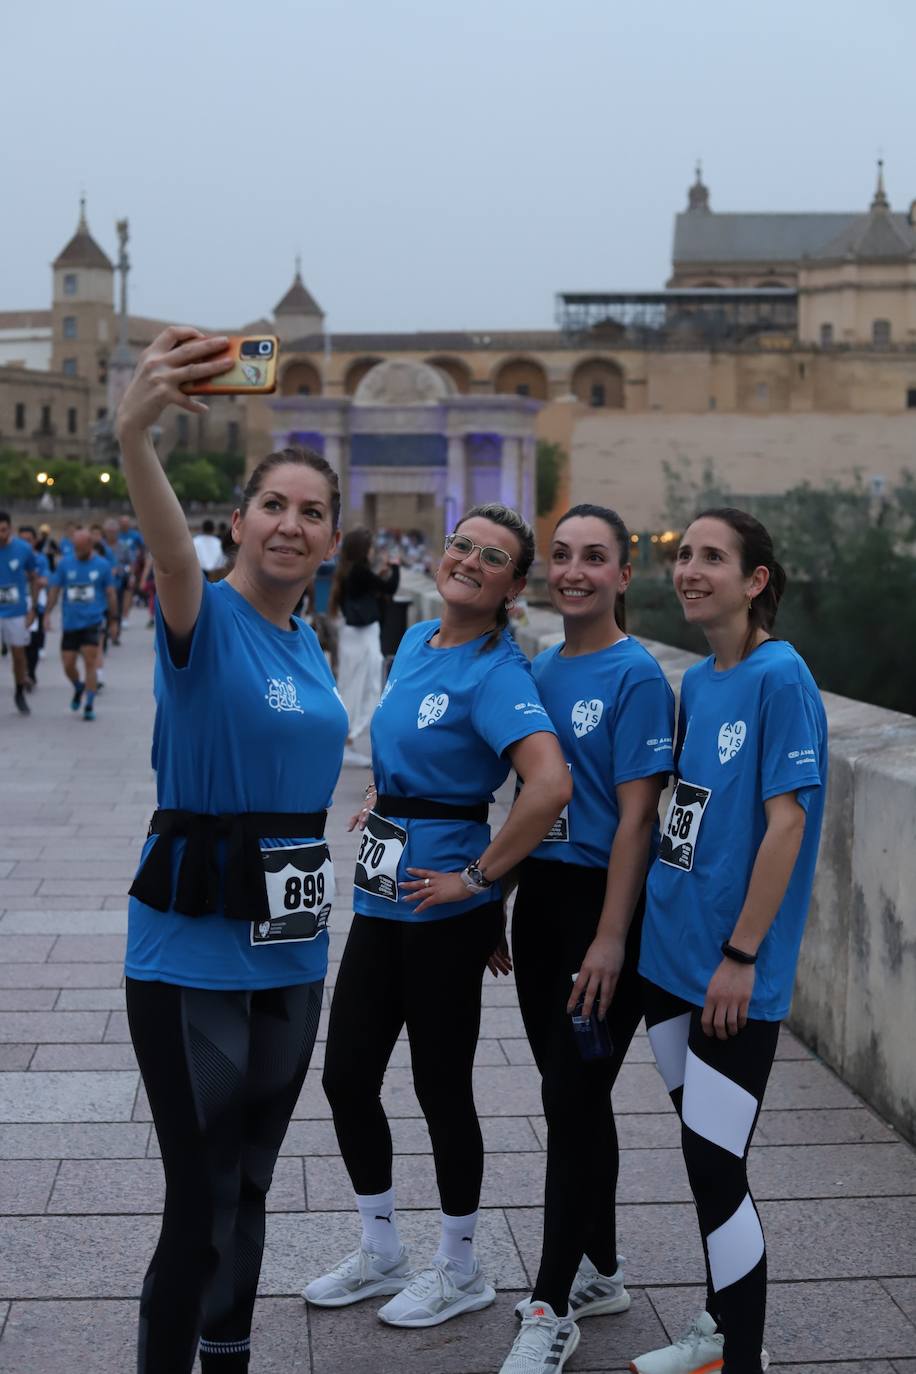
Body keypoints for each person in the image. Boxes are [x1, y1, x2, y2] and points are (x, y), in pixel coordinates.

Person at [116, 325, 347, 1374]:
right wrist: (135, 433)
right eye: (273, 505)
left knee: (252, 1183)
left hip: (293, 948)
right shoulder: (200, 617)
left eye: (311, 512)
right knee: (200, 1194)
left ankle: (230, 1359)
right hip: (194, 950)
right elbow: (166, 548)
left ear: (333, 537)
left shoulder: (309, 641)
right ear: (240, 522)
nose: (289, 524)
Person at [303, 503, 572, 1329]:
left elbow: (550, 784)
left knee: (439, 1087)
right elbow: (407, 738)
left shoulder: (500, 673)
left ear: (513, 588)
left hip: (444, 913)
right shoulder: (419, 640)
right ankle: (381, 1247)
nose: (468, 561)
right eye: (462, 545)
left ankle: (461, 1265)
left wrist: (480, 880)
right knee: (346, 1075)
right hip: (384, 896)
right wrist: (389, 792)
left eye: (492, 558)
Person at [631, 508, 828, 1374]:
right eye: (686, 556)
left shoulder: (781, 678)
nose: (691, 571)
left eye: (715, 558)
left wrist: (742, 957)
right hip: (666, 958)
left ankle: (740, 1358)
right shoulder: (701, 681)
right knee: (702, 1152)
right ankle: (716, 1334)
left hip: (728, 971)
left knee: (717, 1165)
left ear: (755, 582)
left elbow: (787, 825)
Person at [497, 505, 675, 1374]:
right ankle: (601, 1271)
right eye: (561, 555)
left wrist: (611, 939)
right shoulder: (537, 667)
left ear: (622, 574)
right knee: (571, 1096)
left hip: (608, 915)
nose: (573, 570)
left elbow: (638, 819)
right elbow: (525, 797)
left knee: (572, 1099)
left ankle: (549, 1301)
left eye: (593, 558)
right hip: (543, 906)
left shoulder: (639, 676)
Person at [330, 527, 400, 762]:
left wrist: (379, 576)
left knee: (352, 684)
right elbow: (390, 589)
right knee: (366, 685)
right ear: (363, 550)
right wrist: (396, 567)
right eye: (369, 548)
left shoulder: (348, 571)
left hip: (353, 635)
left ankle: (345, 739)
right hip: (363, 636)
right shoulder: (359, 571)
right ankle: (347, 738)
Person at [46, 528, 118, 721]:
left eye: (80, 548)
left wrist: (113, 620)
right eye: (74, 548)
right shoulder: (65, 564)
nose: (77, 551)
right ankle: (79, 687)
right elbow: (54, 589)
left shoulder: (102, 565)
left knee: (90, 662)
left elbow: (111, 594)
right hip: (70, 623)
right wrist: (47, 614)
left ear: (89, 545)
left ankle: (89, 703)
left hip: (92, 622)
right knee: (68, 665)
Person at [0, 510, 40, 715]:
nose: (1, 535)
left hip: (16, 611)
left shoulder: (23, 549)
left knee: (18, 655)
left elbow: (34, 578)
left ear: (10, 528)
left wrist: (33, 608)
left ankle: (19, 691)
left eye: (4, 530)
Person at [17, 525, 50, 689]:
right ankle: (22, 674)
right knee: (19, 643)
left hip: (36, 602)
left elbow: (45, 578)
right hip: (16, 604)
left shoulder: (41, 558)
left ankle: (31, 672)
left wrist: (37, 580)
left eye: (28, 540)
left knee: (34, 642)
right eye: (21, 540)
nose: (25, 544)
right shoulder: (10, 557)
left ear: (35, 541)